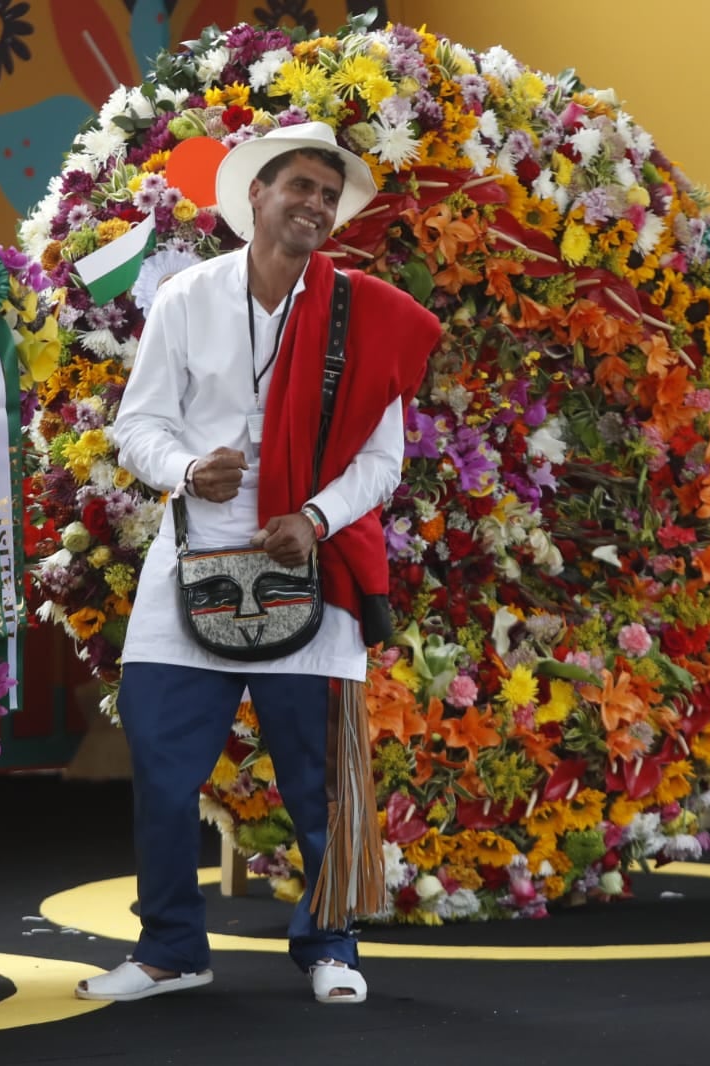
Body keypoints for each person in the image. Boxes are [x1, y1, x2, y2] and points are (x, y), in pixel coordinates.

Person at [75, 122, 441, 1004]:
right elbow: (138, 425)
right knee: (162, 765)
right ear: (257, 195)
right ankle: (170, 950)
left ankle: (331, 947)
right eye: (300, 186)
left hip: (309, 554)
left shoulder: (365, 312)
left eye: (329, 195)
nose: (315, 204)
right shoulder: (188, 297)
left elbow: (382, 461)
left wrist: (315, 518)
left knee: (321, 777)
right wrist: (184, 470)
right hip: (193, 551)